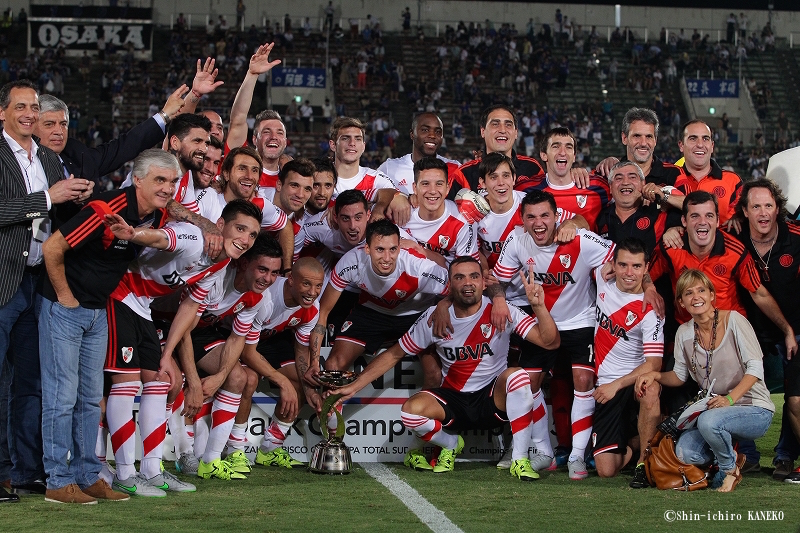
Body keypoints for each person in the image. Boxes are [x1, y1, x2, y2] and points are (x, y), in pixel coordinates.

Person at [332, 256, 559, 479]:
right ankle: (450, 443)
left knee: (518, 377)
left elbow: (550, 342)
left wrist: (539, 307)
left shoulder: (502, 310)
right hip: (453, 402)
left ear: (483, 283)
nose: (468, 282)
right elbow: (394, 354)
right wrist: (354, 386)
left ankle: (519, 459)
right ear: (449, 285)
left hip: (491, 400)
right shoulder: (434, 317)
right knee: (410, 412)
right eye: (459, 277)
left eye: (474, 276)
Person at [38, 149, 177, 504]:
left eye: (173, 181)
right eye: (160, 180)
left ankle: (88, 476)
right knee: (62, 397)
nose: (167, 187)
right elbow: (52, 248)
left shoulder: (157, 215)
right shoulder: (105, 208)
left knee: (89, 399)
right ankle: (57, 481)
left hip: (98, 310)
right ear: (138, 180)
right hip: (65, 308)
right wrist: (65, 297)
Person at [102, 199, 262, 497]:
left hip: (143, 307)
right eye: (240, 229)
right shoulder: (196, 239)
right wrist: (134, 234)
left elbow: (189, 307)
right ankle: (124, 473)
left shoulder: (221, 263)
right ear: (220, 226)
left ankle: (152, 470)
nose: (245, 239)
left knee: (161, 380)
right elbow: (162, 238)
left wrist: (167, 353)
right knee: (125, 385)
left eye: (252, 235)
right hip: (119, 294)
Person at [0, 80, 91, 499]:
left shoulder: (49, 158)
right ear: (3, 113)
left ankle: (25, 470)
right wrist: (46, 198)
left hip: (39, 282)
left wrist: (79, 197)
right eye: (20, 106)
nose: (29, 113)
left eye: (33, 107)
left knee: (32, 383)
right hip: (4, 281)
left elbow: (61, 209)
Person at [491, 189, 615, 480]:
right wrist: (498, 298)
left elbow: (616, 256)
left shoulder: (581, 239)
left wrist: (614, 271)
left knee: (583, 380)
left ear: (557, 216)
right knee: (528, 383)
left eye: (545, 215)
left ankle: (577, 456)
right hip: (541, 323)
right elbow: (498, 279)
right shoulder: (516, 241)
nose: (539, 223)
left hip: (580, 320)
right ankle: (544, 452)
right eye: (531, 217)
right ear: (522, 220)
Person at [635, 269, 775, 492]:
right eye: (688, 293)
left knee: (709, 422)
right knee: (685, 452)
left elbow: (756, 369)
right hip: (713, 409)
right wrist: (656, 375)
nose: (696, 297)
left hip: (754, 409)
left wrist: (729, 399)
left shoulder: (734, 320)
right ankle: (727, 455)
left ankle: (729, 470)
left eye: (701, 290)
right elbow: (679, 376)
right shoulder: (684, 332)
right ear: (681, 302)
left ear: (712, 295)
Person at [158, 233, 283, 480]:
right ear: (244, 263)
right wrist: (194, 383)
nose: (268, 279)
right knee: (171, 382)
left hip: (198, 332)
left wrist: (220, 376)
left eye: (274, 273)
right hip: (164, 323)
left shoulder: (257, 296)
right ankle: (163, 458)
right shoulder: (216, 278)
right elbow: (183, 330)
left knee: (238, 377)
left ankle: (211, 461)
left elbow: (237, 339)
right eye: (262, 269)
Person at [307, 219, 450, 404]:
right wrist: (314, 361)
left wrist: (443, 304)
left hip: (415, 315)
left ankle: (421, 419)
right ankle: (332, 416)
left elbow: (456, 290)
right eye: (380, 249)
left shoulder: (418, 265)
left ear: (399, 248)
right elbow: (323, 312)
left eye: (393, 249)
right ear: (367, 249)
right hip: (372, 312)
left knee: (434, 373)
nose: (387, 258)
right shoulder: (351, 261)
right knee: (333, 365)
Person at [733, 179, 800, 481]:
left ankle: (785, 455)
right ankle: (747, 455)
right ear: (745, 211)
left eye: (769, 206)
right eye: (756, 206)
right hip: (750, 329)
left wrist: (790, 330)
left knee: (795, 393)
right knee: (737, 382)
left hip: (796, 327)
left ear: (778, 208)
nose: (763, 213)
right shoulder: (732, 239)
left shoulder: (796, 238)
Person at [591, 238, 663, 488]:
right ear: (613, 264)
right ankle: (647, 435)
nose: (629, 272)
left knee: (651, 387)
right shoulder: (602, 279)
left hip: (630, 384)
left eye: (636, 266)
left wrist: (617, 385)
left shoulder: (651, 309)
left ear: (646, 268)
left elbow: (654, 364)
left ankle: (644, 463)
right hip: (606, 385)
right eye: (623, 265)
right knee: (606, 471)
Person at [240, 257, 325, 468]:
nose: (313, 292)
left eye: (318, 286)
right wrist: (283, 382)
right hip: (240, 341)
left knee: (303, 383)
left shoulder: (312, 308)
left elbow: (301, 350)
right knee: (247, 380)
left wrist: (309, 390)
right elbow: (247, 351)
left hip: (270, 340)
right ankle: (234, 449)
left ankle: (270, 449)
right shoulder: (266, 297)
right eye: (306, 284)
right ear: (291, 280)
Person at [447, 105, 544, 201]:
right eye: (495, 124)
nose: (502, 130)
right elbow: (448, 209)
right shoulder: (465, 174)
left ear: (516, 133)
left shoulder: (532, 168)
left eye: (508, 125)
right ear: (483, 131)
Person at [328, 117, 409, 224]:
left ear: (363, 146)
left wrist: (380, 207)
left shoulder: (376, 178)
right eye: (345, 138)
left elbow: (397, 195)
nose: (352, 143)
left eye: (358, 139)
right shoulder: (319, 178)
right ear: (333, 145)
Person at [226, 43, 285, 188]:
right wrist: (252, 75)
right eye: (266, 132)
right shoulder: (239, 164)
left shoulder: (291, 179)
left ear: (285, 141)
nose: (274, 137)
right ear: (254, 139)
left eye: (280, 132)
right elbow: (238, 119)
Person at [594, 107, 682, 188]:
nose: (643, 143)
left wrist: (664, 195)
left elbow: (687, 199)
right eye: (637, 136)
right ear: (624, 138)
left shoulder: (675, 173)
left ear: (655, 140)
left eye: (648, 136)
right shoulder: (608, 173)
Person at [377, 112, 460, 196]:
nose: (432, 135)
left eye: (438, 131)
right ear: (412, 134)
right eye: (425, 130)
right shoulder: (389, 168)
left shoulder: (456, 169)